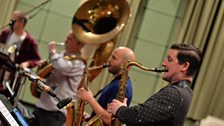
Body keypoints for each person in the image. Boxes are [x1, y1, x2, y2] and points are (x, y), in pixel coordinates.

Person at [108, 43, 202, 126]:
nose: (163, 63)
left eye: (169, 60)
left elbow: (139, 117)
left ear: (184, 66)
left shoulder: (174, 93)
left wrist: (120, 109)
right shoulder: (186, 91)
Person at [33, 31, 86, 126]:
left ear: (80, 44)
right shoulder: (62, 55)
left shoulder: (79, 63)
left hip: (56, 111)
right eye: (67, 38)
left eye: (69, 39)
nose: (65, 40)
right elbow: (52, 73)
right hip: (43, 105)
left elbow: (61, 67)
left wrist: (52, 52)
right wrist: (43, 67)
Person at [77, 46, 136, 125]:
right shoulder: (116, 82)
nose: (109, 59)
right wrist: (91, 118)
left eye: (114, 58)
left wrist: (90, 98)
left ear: (124, 65)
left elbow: (109, 120)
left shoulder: (120, 87)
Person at [0, 10, 40, 94]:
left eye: (13, 20)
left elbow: (36, 59)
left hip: (13, 80)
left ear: (22, 22)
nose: (10, 22)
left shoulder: (30, 41)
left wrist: (27, 64)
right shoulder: (5, 33)